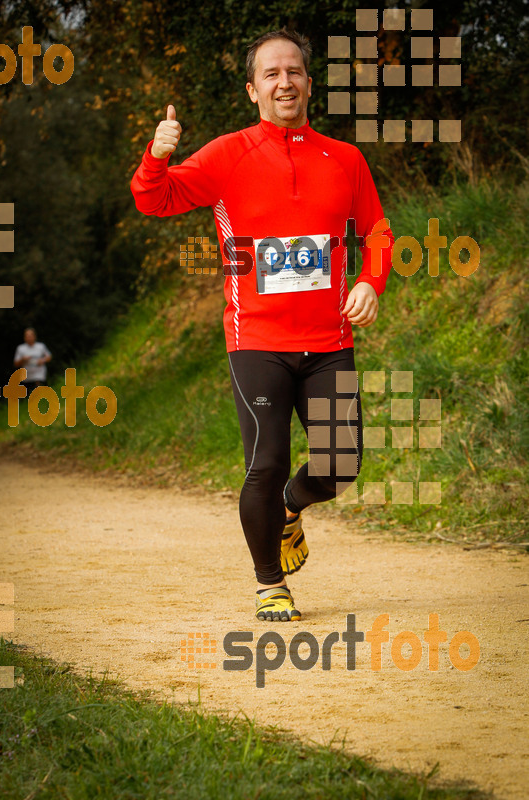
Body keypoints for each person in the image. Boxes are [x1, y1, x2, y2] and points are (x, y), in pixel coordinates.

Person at [131, 29, 393, 622]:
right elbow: (154, 199)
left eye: (294, 71)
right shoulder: (228, 155)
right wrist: (158, 154)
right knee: (266, 459)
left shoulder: (344, 158)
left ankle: (290, 507)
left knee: (340, 462)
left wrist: (369, 283)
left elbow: (378, 232)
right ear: (253, 89)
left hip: (330, 341)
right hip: (258, 342)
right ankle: (269, 582)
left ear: (309, 82)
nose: (285, 82)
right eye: (272, 74)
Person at [13, 327, 52, 396]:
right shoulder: (20, 348)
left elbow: (49, 357)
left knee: (39, 389)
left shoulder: (41, 346)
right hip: (27, 376)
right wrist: (23, 359)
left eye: (30, 336)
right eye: (27, 336)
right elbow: (16, 364)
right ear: (24, 337)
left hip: (39, 374)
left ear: (34, 336)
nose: (29, 338)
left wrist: (42, 360)